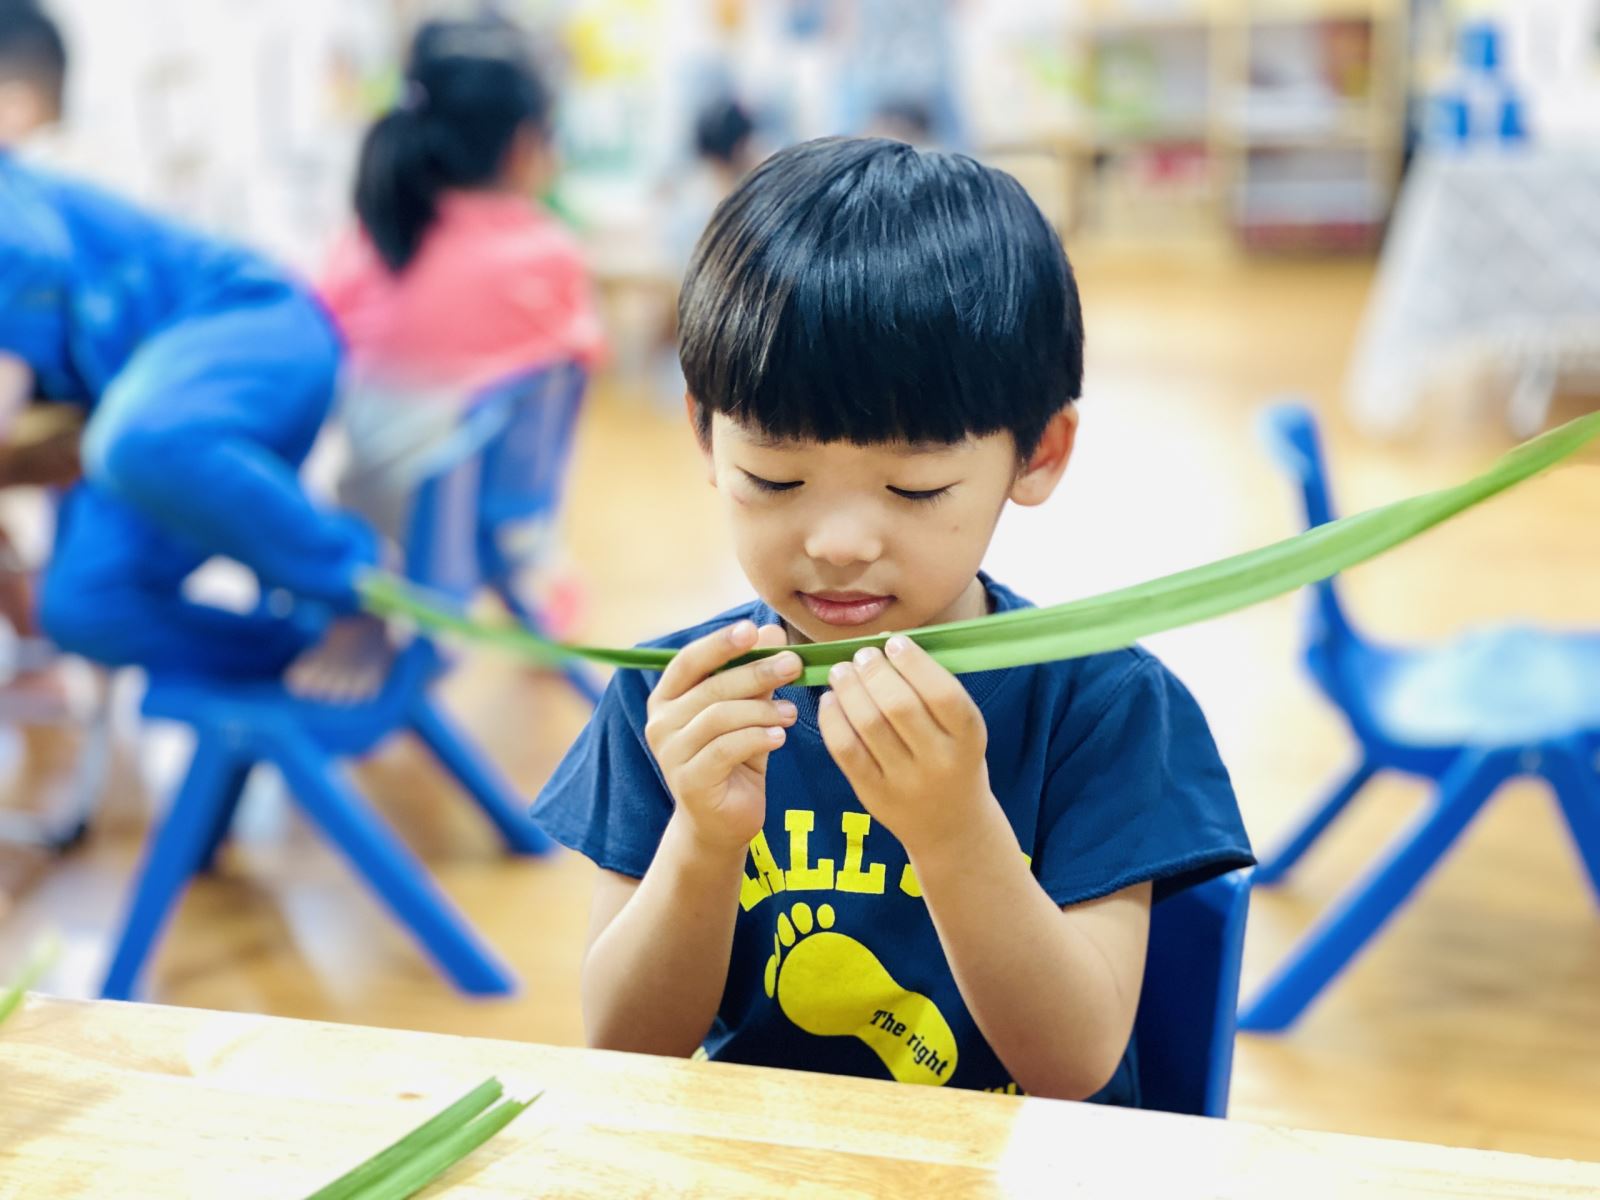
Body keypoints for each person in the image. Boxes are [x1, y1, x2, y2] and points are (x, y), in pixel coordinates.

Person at [530, 138, 1254, 1104]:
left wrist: (955, 833)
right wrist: (702, 840)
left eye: (914, 488)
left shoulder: (1105, 708)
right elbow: (624, 1049)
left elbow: (1073, 1067)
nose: (837, 544)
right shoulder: (678, 702)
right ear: (706, 435)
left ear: (1038, 452)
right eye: (774, 479)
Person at [0, 1, 376, 686]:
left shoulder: (12, 191)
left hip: (251, 325)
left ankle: (359, 585)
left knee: (136, 439)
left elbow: (24, 263)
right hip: (144, 419)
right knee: (81, 607)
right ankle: (293, 652)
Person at [319, 16, 604, 549]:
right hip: (495, 536)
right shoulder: (550, 254)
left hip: (368, 533)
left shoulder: (360, 245)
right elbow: (578, 372)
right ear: (523, 145)